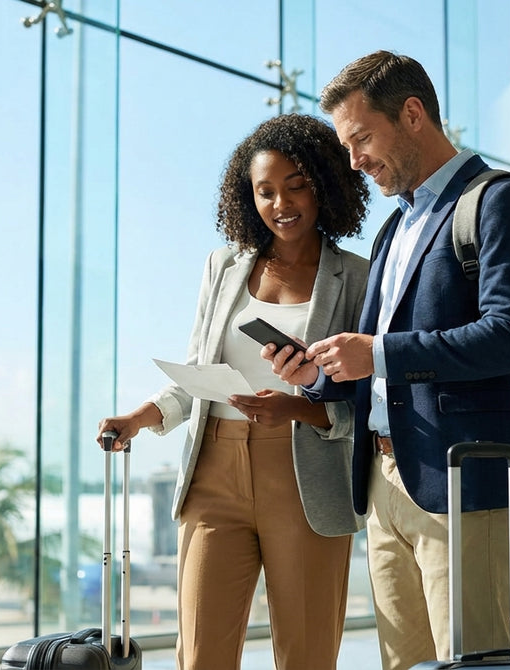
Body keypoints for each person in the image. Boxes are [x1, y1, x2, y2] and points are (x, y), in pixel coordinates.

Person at [264, 51, 510, 670]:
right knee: (404, 664)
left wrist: (378, 353)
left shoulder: (501, 202)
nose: (355, 161)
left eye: (362, 138)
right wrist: (317, 374)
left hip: (466, 480)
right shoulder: (394, 231)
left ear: (413, 114)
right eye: (347, 146)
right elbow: (372, 366)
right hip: (385, 481)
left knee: (472, 661)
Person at [96, 113, 370, 670]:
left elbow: (366, 403)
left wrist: (298, 406)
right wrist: (139, 418)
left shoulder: (358, 278)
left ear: (324, 183)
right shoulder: (223, 267)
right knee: (200, 655)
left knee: (307, 655)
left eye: (296, 184)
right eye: (264, 191)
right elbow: (197, 375)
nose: (281, 202)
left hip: (306, 475)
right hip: (213, 473)